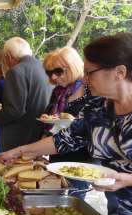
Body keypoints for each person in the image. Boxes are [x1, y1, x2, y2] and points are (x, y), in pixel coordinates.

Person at [0, 33, 132, 215]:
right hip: (119, 213)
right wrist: (19, 151)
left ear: (119, 72)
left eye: (89, 73)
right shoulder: (97, 107)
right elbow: (64, 139)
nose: (84, 79)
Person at [42, 46, 94, 199]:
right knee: (55, 203)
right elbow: (50, 122)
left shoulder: (90, 91)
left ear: (73, 66)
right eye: (49, 73)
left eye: (58, 71)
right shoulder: (57, 92)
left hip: (80, 161)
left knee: (72, 203)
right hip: (56, 156)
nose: (53, 78)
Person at [0, 37, 51, 152]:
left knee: (12, 169)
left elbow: (14, 111)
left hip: (18, 137)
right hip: (39, 134)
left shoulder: (15, 71)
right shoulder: (44, 68)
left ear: (8, 56)